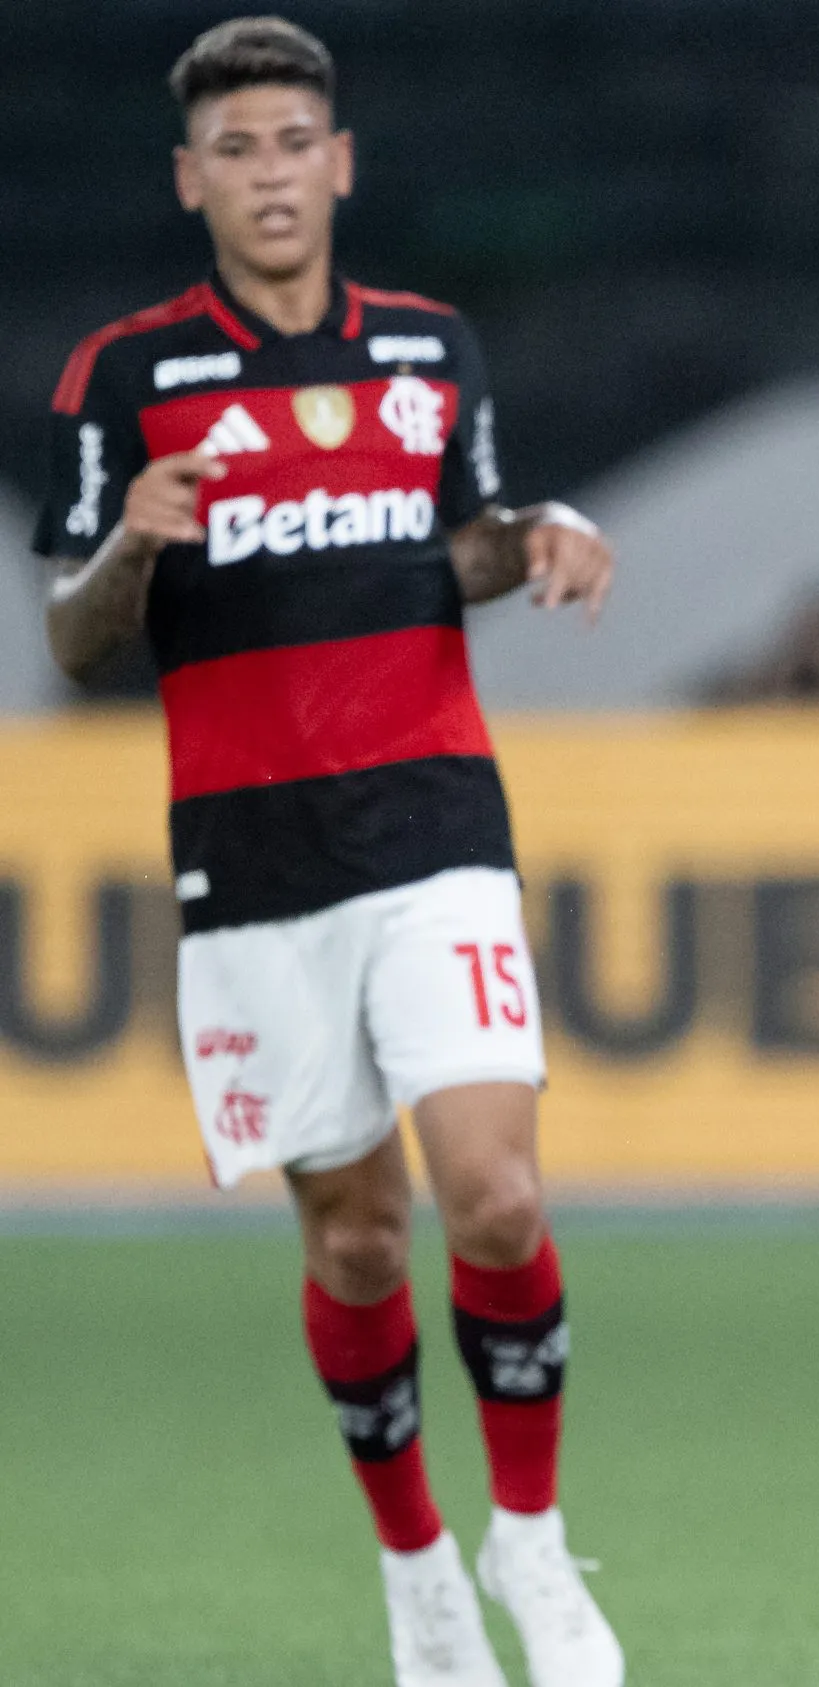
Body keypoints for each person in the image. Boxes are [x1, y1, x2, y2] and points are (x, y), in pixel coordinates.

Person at [33, 20, 621, 1687]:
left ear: (339, 161)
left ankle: (529, 1540)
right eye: (237, 150)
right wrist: (130, 550)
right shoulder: (126, 375)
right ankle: (417, 1565)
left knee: (495, 1193)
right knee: (358, 1237)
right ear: (191, 181)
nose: (271, 174)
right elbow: (72, 636)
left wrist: (544, 534)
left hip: (436, 822)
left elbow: (465, 545)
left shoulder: (430, 347)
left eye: (295, 141)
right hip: (254, 854)